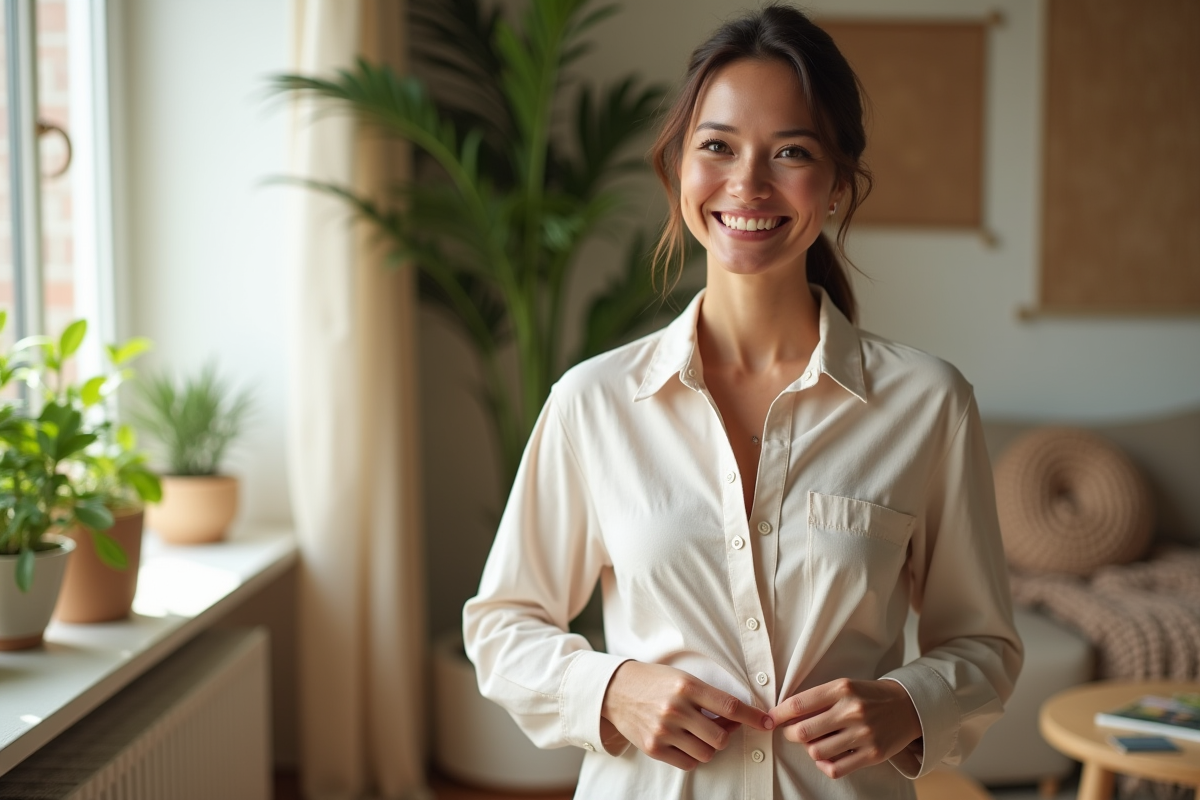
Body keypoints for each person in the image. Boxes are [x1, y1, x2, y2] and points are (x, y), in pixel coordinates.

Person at [463, 5, 1023, 798]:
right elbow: (500, 626)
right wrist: (613, 689)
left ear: (836, 185)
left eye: (790, 152)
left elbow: (983, 644)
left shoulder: (928, 405)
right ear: (677, 169)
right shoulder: (593, 402)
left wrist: (907, 703)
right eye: (717, 146)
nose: (748, 183)